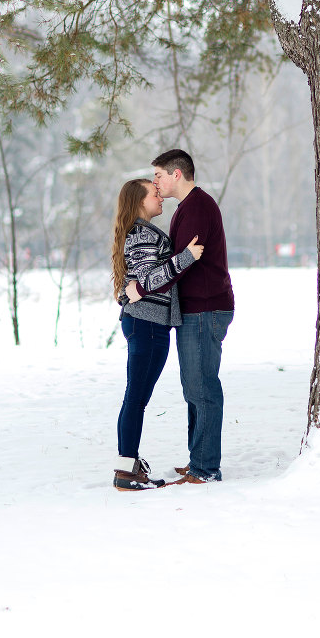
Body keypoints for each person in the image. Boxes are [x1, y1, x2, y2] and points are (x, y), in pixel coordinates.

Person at [112, 177, 203, 492]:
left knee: (136, 398)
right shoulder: (142, 233)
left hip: (147, 323)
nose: (160, 196)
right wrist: (186, 258)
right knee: (136, 398)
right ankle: (126, 470)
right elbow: (149, 279)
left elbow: (138, 282)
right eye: (154, 193)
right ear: (139, 200)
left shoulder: (140, 232)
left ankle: (128, 467)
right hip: (146, 324)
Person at [150, 149, 234, 483]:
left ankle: (206, 467)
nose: (155, 182)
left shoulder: (197, 207)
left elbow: (185, 262)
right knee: (193, 388)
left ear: (177, 174)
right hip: (196, 308)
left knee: (202, 389)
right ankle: (198, 459)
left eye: (158, 174)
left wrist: (145, 289)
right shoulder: (188, 208)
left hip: (206, 307)